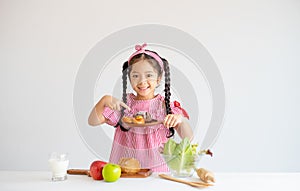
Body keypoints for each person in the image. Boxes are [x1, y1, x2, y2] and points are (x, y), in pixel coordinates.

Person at [88, 43, 193, 172]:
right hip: (124, 171)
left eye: (149, 75)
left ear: (159, 78)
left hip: (158, 171)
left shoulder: (165, 107)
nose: (142, 81)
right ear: (130, 79)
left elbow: (188, 137)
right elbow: (92, 121)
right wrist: (104, 100)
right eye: (136, 76)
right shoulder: (124, 105)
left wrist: (180, 120)